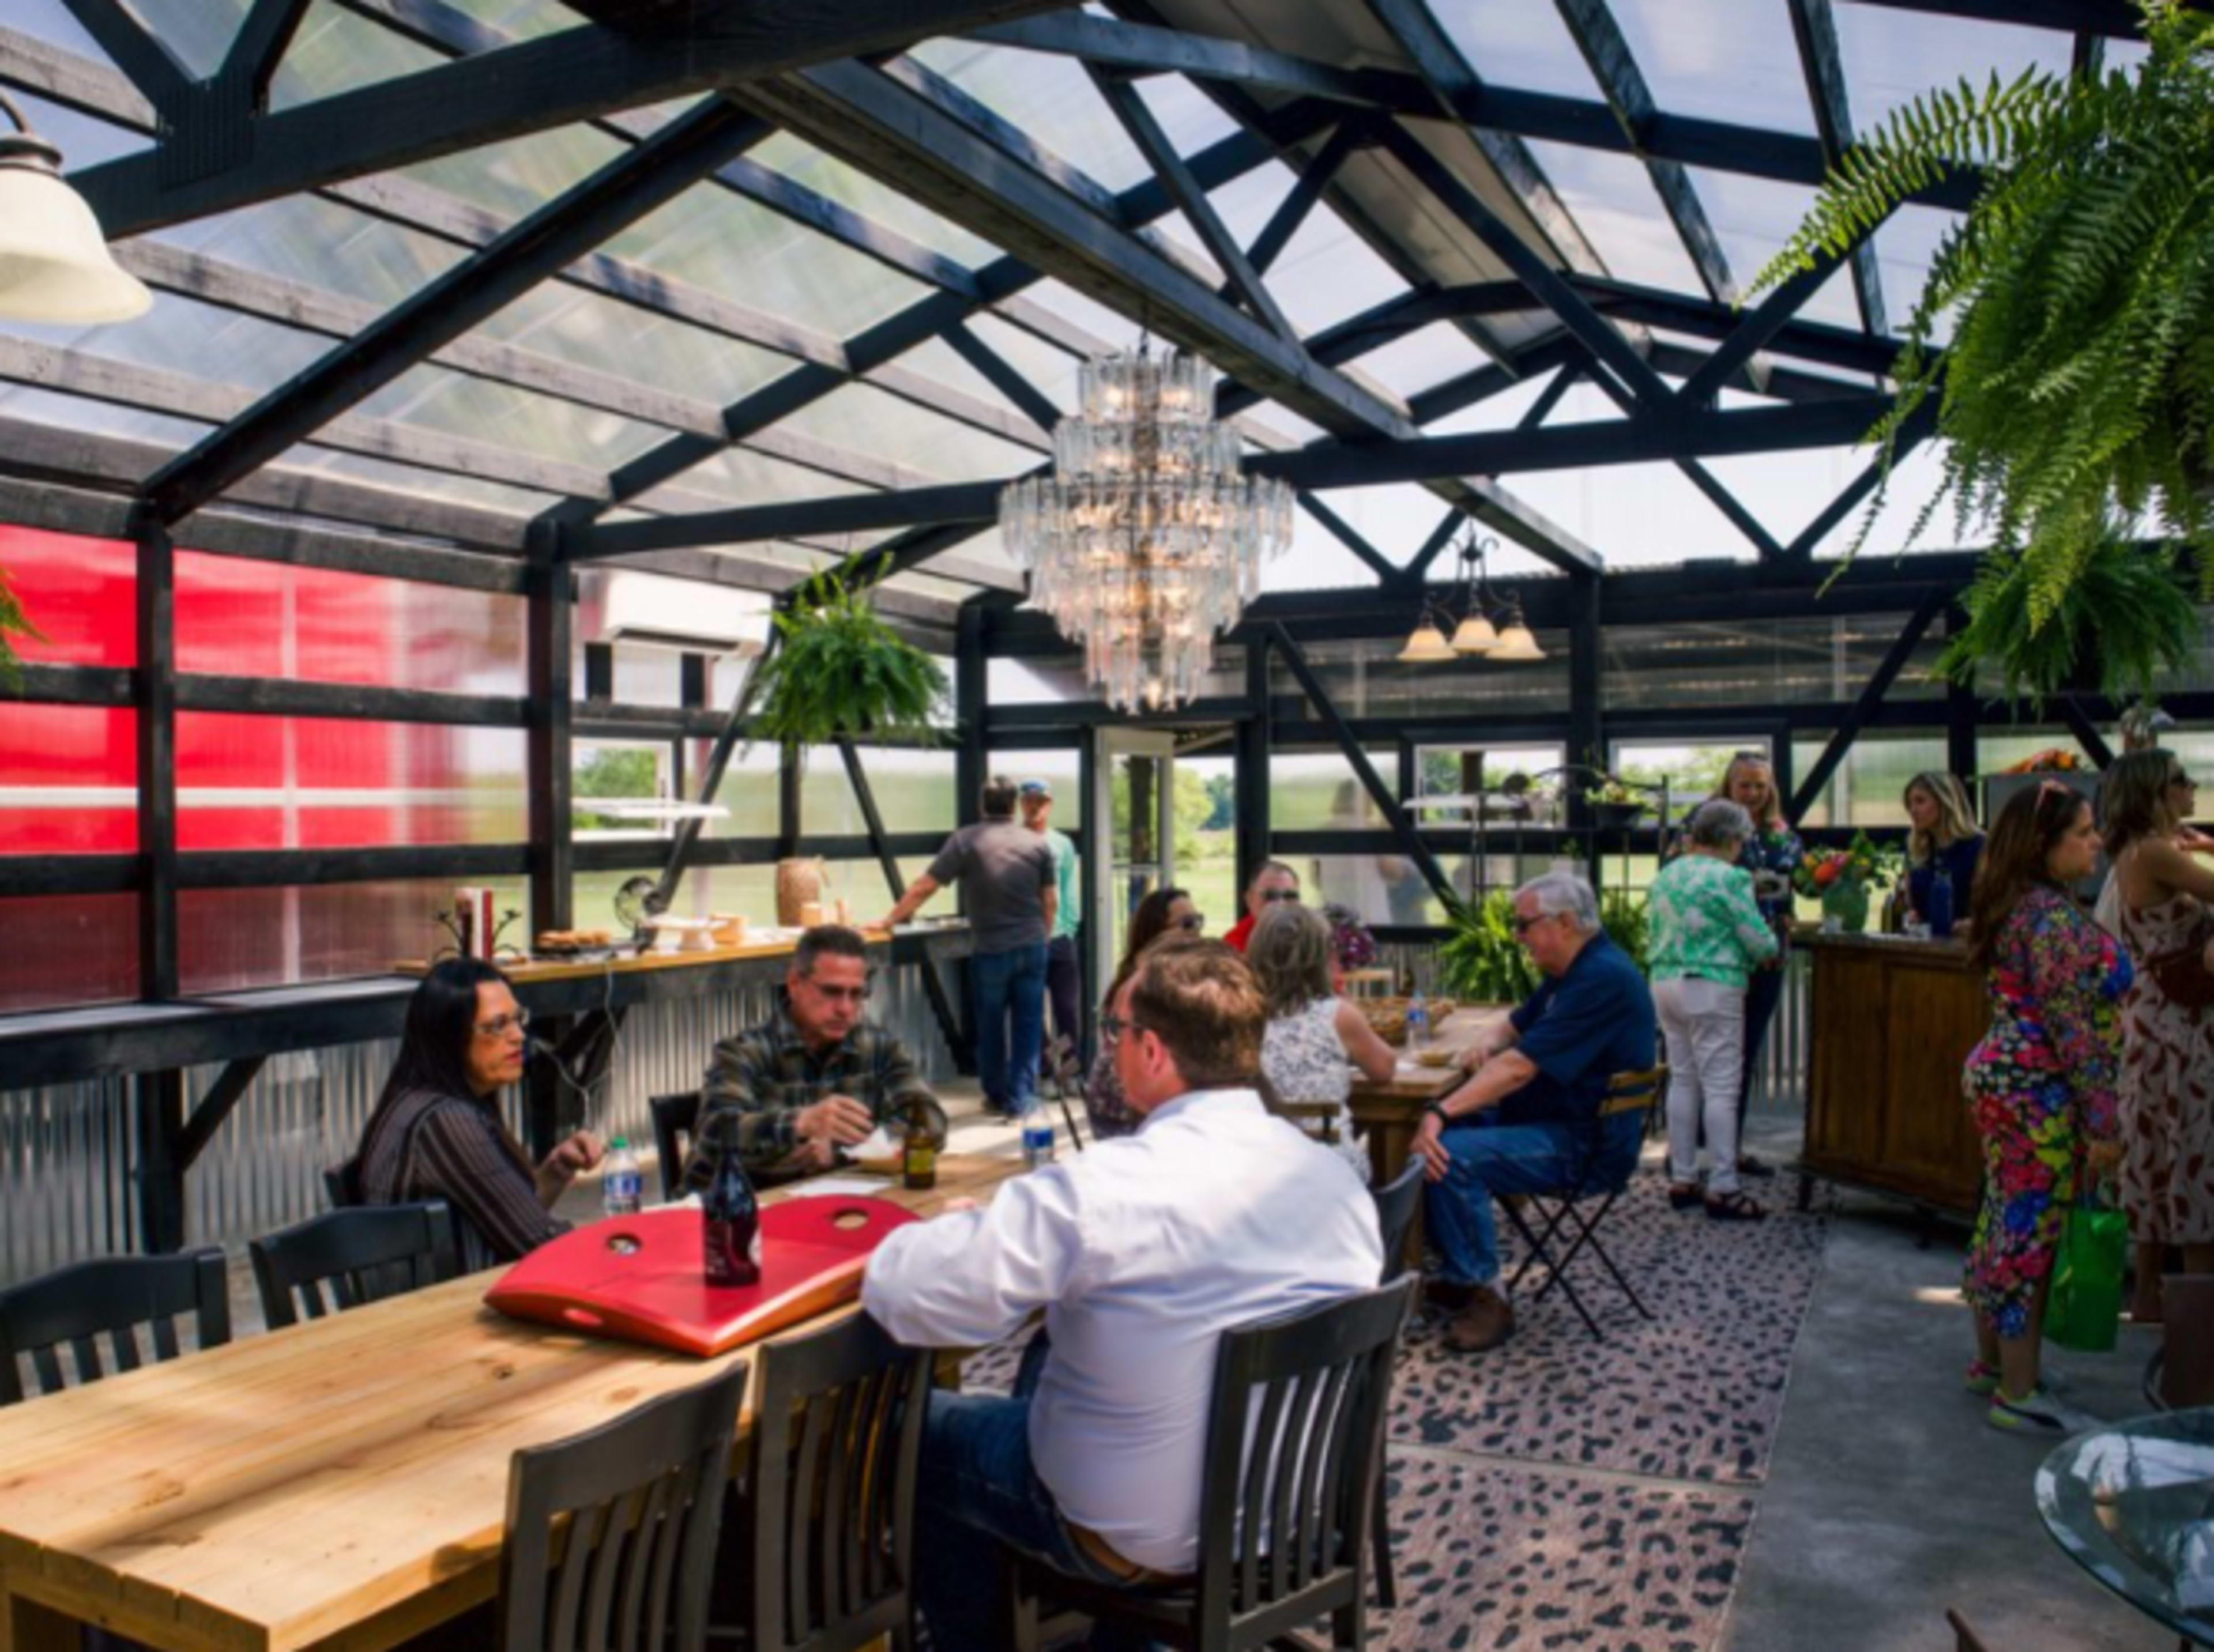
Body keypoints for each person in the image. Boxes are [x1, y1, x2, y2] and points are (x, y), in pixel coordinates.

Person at [861, 936, 1382, 1652]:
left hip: (1137, 1534)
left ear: (1154, 1051)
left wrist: (946, 1231)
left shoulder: (1103, 1188)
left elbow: (913, 1296)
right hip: (1286, 1511)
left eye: (1117, 1032)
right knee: (1058, 1355)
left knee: (905, 1433)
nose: (1112, 1048)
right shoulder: (1334, 1182)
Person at [1413, 871, 1657, 1353]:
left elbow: (1520, 1069)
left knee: (1449, 1151)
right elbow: (1514, 1027)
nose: (1517, 936)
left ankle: (1488, 1295)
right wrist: (1488, 1039)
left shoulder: (1601, 979)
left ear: (1564, 923)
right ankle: (1457, 1270)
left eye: (1525, 925)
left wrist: (1440, 1109)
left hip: (1583, 1145)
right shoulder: (1576, 972)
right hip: (1553, 1123)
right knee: (1426, 1136)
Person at [1961, 783, 2130, 1434]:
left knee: (2002, 1218)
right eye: (2083, 831)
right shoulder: (2052, 921)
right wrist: (2104, 1123)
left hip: (2007, 1077)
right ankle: (2020, 1391)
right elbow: (2076, 1034)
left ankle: (1993, 1365)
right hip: (2039, 1089)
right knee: (2030, 1233)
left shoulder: (2017, 906)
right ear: (2044, 845)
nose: (2097, 841)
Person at [355, 957, 603, 1266]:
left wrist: (555, 1171)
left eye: (518, 1019)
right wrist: (622, 1250)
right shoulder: (445, 1121)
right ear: (450, 1038)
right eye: (497, 1026)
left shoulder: (426, 1097)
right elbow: (539, 1243)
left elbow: (509, 1216)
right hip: (438, 1309)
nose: (518, 1036)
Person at [2099, 749, 2214, 1323]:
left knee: (2154, 1154)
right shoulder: (2155, 852)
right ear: (2155, 793)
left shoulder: (2141, 850)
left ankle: (2149, 1301)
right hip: (2181, 1026)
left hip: (2153, 1016)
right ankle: (2196, 1314)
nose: (2192, 789)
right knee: (2193, 1152)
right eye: (2180, 781)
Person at [696, 923, 941, 1180]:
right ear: (794, 984)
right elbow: (714, 1133)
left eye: (856, 994)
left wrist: (840, 1150)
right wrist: (801, 1123)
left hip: (831, 1198)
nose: (845, 1009)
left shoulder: (879, 1048)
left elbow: (931, 1122)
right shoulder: (744, 1053)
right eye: (832, 992)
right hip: (738, 1208)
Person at [882, 776, 1056, 1118]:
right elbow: (1049, 899)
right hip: (1032, 945)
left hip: (990, 947)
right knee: (1029, 1023)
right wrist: (1044, 937)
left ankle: (996, 1094)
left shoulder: (966, 841)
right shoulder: (1037, 844)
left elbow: (924, 886)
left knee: (990, 1023)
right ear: (1013, 805)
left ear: (982, 805)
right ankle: (1022, 1098)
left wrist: (890, 920)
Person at [1648, 799, 1780, 1220]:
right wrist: (1772, 944)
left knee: (1683, 1081)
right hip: (1711, 984)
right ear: (1732, 838)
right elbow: (1757, 939)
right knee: (1722, 1086)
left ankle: (1683, 1178)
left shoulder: (1668, 874)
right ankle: (1724, 1186)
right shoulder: (1731, 877)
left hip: (1665, 982)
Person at [1247, 900, 1397, 1183]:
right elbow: (1384, 1069)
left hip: (1260, 1165)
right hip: (1330, 1165)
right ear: (1321, 957)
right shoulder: (1337, 1015)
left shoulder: (1240, 1016)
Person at [1707, 751, 1802, 1176]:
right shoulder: (1706, 827)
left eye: (1760, 786)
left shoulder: (1780, 833)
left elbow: (1793, 884)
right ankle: (1694, 1154)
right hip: (1719, 958)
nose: (1752, 794)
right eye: (1744, 785)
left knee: (1745, 1052)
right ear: (1728, 785)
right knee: (1710, 1054)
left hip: (1767, 956)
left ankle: (1731, 1147)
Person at [1081, 885, 1202, 1141]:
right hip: (1127, 1112)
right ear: (1157, 933)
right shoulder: (1142, 986)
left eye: (1198, 920)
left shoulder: (1171, 978)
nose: (1197, 931)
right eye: (1187, 923)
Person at [1019, 778, 1084, 1065]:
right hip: (1026, 938)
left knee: (1067, 1009)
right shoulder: (1014, 840)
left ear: (1050, 805)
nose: (1035, 807)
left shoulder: (1062, 844)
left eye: (1041, 801)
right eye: (1030, 801)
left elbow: (1069, 886)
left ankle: (1070, 1068)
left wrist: (1069, 926)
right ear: (1021, 804)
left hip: (1059, 938)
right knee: (1031, 1010)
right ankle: (1046, 1070)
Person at [1902, 771, 1985, 932]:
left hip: (1969, 945)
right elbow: (1911, 903)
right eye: (1910, 804)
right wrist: (1911, 915)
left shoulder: (1979, 847)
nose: (1913, 810)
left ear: (1945, 802)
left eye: (1920, 801)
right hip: (1927, 944)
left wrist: (1973, 923)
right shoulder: (1918, 850)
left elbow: (1998, 905)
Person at [1222, 859, 1300, 953]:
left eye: (1290, 896)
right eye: (1270, 896)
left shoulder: (1311, 938)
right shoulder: (1232, 947)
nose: (1280, 903)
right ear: (1250, 899)